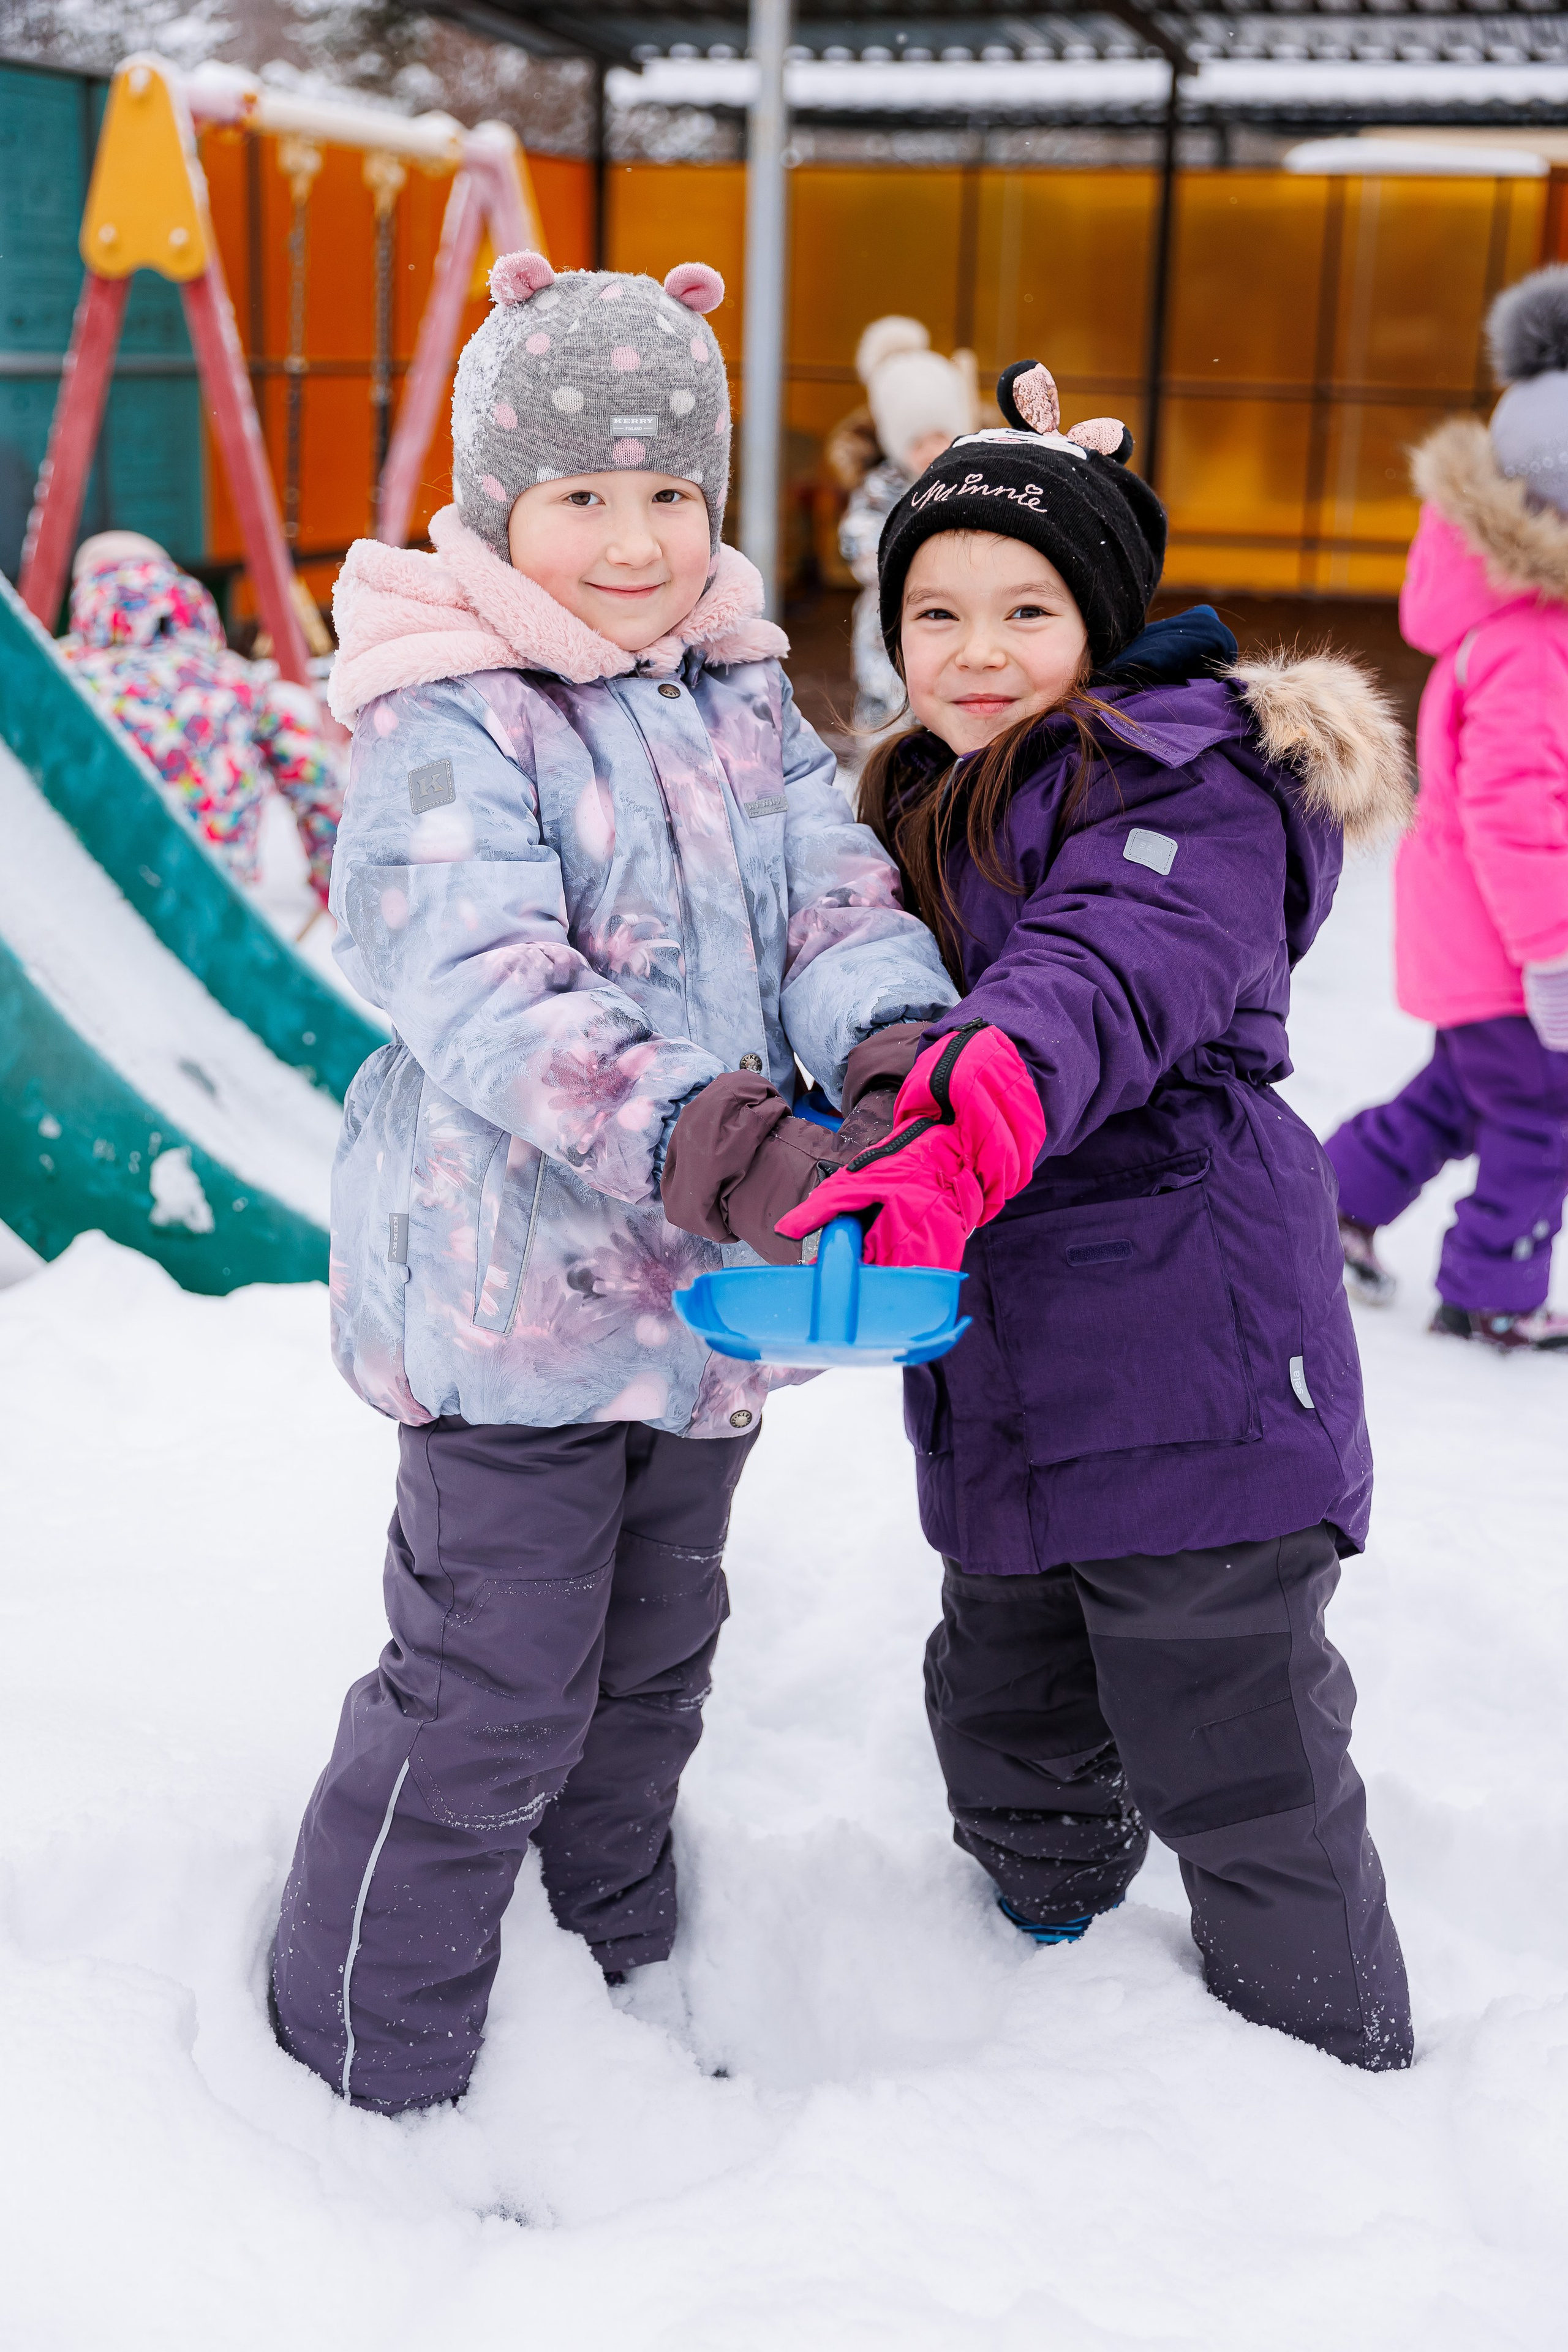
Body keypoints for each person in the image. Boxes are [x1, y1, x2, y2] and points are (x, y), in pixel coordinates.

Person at [269, 251, 957, 2114]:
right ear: (501, 503)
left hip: (706, 1317)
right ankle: (364, 2047)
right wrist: (724, 1137)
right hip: (513, 1316)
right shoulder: (447, 717)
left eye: (670, 491)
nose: (636, 537)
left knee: (653, 1665)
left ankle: (615, 1962)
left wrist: (898, 1059)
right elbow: (486, 989)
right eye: (583, 495)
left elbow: (834, 896)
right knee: (489, 1685)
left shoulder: (731, 688)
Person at [771, 361, 1416, 2070]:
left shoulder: (1183, 785)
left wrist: (944, 1138)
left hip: (1190, 1353)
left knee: (1236, 1742)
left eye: (1027, 609)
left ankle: (1330, 2070)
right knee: (1008, 1710)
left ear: (1106, 621)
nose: (975, 651)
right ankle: (1042, 1989)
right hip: (1007, 1379)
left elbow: (1085, 990)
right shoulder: (916, 795)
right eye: (935, 610)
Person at [1324, 268, 1568, 1351]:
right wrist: (1555, 956)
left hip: (1489, 940)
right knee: (1541, 1119)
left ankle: (1330, 1205)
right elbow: (1522, 813)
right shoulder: (1529, 648)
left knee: (1463, 1098)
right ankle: (1494, 1293)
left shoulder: (1531, 628)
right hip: (1516, 946)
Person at [61, 532, 341, 907]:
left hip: (93, 885)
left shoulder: (65, 677)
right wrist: (333, 885)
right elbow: (316, 784)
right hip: (215, 891)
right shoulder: (233, 677)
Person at [831, 318, 978, 731]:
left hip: (961, 615)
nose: (929, 451)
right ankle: (883, 777)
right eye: (915, 442)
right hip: (891, 617)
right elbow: (858, 538)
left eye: (939, 436)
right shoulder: (884, 487)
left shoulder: (972, 479)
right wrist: (900, 560)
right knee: (888, 703)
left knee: (952, 702)